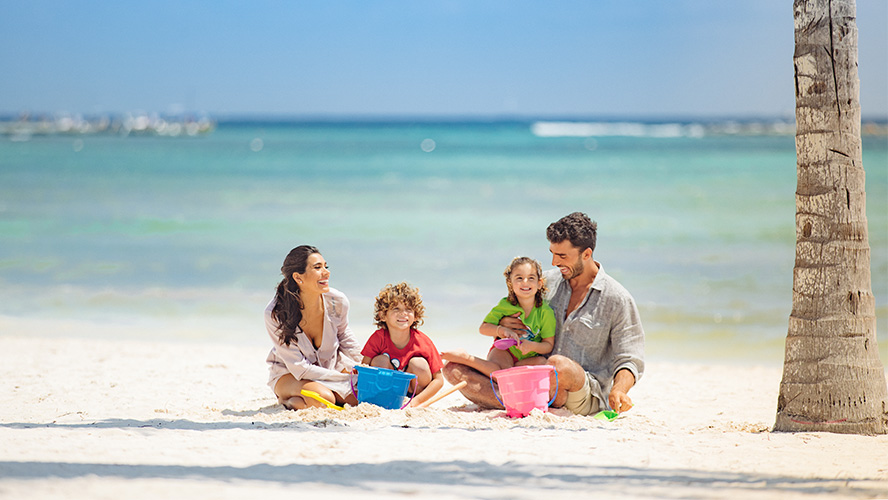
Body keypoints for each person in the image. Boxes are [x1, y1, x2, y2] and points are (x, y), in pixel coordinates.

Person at [443, 212, 645, 415]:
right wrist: (504, 324)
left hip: (580, 389)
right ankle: (519, 402)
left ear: (586, 254)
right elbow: (507, 321)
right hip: (532, 377)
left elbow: (629, 359)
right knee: (453, 370)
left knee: (557, 365)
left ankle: (514, 401)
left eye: (562, 256)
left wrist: (619, 390)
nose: (554, 262)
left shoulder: (617, 299)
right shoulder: (542, 283)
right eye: (552, 253)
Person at [265, 245, 362, 410]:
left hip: (328, 370)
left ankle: (299, 401)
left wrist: (364, 367)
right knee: (323, 398)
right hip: (290, 374)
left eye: (326, 266)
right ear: (298, 277)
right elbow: (300, 369)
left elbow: (345, 338)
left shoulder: (337, 301)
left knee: (359, 397)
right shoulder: (275, 313)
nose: (326, 272)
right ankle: (286, 399)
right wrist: (342, 378)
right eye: (318, 268)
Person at [442, 256, 556, 376]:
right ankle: (466, 358)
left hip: (528, 357)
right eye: (519, 278)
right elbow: (483, 328)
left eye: (531, 278)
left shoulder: (545, 312)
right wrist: (502, 330)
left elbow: (548, 345)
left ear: (539, 283)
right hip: (504, 351)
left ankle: (503, 372)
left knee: (541, 362)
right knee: (502, 374)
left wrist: (533, 346)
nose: (525, 282)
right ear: (510, 283)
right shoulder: (505, 305)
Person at [361, 282, 444, 407]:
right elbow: (364, 368)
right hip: (387, 390)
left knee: (418, 363)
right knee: (379, 361)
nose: (403, 313)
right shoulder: (378, 338)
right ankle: (383, 397)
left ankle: (412, 399)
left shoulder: (423, 342)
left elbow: (439, 380)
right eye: (396, 309)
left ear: (416, 316)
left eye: (408, 309)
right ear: (383, 315)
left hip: (414, 393)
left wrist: (418, 401)